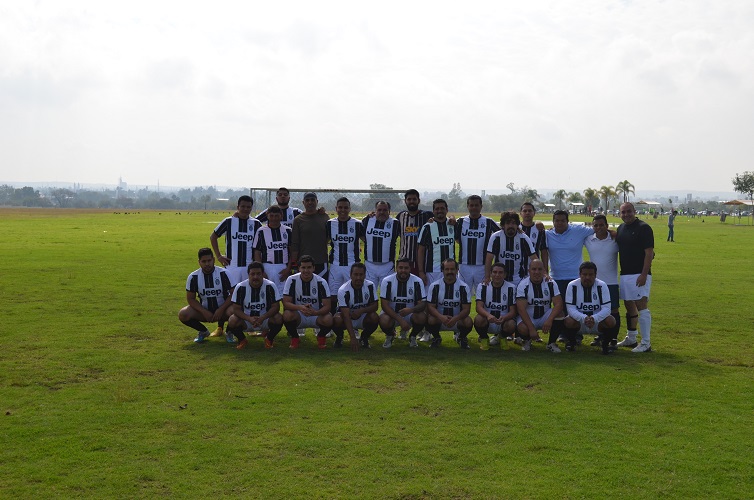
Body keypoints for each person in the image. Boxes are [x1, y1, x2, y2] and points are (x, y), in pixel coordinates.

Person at [615, 202, 655, 353]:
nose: (626, 214)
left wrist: (644, 274)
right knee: (628, 305)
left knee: (641, 305)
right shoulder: (621, 228)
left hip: (639, 274)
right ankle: (631, 338)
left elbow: (649, 253)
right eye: (623, 212)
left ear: (634, 211)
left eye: (629, 211)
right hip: (625, 273)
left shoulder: (644, 228)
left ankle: (646, 343)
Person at [179, 248, 234, 343]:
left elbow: (234, 294)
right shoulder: (193, 277)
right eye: (204, 261)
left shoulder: (224, 273)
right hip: (204, 311)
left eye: (209, 260)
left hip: (224, 311)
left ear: (213, 259)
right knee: (183, 314)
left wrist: (221, 309)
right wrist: (204, 311)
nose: (207, 264)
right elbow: (191, 299)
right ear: (199, 262)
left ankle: (230, 332)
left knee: (238, 310)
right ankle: (203, 331)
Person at [226, 262, 284, 350]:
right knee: (232, 320)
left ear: (263, 274)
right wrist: (249, 318)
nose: (255, 277)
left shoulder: (270, 286)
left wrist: (262, 317)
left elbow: (276, 307)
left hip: (265, 319)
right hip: (247, 320)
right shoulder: (241, 287)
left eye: (258, 274)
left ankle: (269, 339)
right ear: (248, 275)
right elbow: (236, 309)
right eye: (252, 274)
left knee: (278, 318)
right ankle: (242, 340)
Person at [281, 255, 334, 349]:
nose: (306, 270)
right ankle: (295, 338)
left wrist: (315, 312)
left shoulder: (321, 282)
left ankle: (321, 337)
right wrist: (300, 307)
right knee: (287, 315)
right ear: (299, 268)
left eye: (309, 267)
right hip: (299, 314)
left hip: (316, 315)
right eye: (303, 267)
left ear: (314, 268)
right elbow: (286, 303)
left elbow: (327, 306)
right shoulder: (292, 280)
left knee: (329, 318)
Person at [563, 262, 617, 354]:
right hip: (579, 322)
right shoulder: (572, 285)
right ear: (580, 274)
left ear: (595, 275)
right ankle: (572, 343)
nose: (587, 277)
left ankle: (605, 344)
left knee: (611, 320)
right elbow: (570, 309)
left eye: (591, 274)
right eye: (584, 274)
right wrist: (584, 318)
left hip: (597, 322)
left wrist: (594, 318)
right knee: (568, 320)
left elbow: (607, 309)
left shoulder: (602, 285)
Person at [584, 214, 621, 348]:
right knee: (598, 310)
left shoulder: (614, 239)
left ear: (607, 226)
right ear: (592, 226)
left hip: (611, 282)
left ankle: (613, 338)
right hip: (594, 283)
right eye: (596, 225)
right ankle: (602, 336)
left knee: (613, 310)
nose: (599, 227)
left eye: (601, 225)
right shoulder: (588, 239)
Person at [210, 195, 262, 288]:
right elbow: (213, 237)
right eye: (243, 206)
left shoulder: (256, 223)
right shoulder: (228, 221)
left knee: (248, 292)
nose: (245, 209)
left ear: (251, 208)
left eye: (248, 207)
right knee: (232, 293)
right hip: (232, 266)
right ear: (238, 207)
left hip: (249, 267)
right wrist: (218, 256)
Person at [516, 258, 564, 353]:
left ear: (544, 270)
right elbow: (521, 309)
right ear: (529, 271)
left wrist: (549, 320)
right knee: (522, 328)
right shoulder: (523, 285)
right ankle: (527, 340)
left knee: (560, 314)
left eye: (539, 269)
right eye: (534, 269)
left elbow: (559, 304)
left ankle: (551, 343)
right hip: (529, 317)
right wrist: (531, 328)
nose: (537, 272)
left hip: (545, 316)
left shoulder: (550, 283)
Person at [544, 210, 594, 298]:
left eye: (562, 221)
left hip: (576, 278)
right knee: (559, 305)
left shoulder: (578, 230)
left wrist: (611, 231)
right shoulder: (547, 234)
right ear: (553, 222)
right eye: (557, 221)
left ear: (567, 221)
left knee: (576, 304)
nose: (560, 223)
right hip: (556, 278)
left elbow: (597, 229)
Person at [379, 258, 428, 348]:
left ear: (410, 268)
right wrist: (400, 320)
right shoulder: (387, 281)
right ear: (396, 268)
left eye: (406, 268)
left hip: (410, 314)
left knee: (422, 317)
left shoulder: (417, 281)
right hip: (392, 314)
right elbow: (384, 305)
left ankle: (413, 336)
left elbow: (422, 304)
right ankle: (390, 335)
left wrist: (411, 310)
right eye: (400, 268)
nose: (403, 270)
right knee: (384, 319)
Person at [326, 197, 364, 312]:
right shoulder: (330, 224)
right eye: (340, 207)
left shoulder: (357, 224)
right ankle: (333, 319)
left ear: (349, 209)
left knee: (352, 293)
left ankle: (352, 319)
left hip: (352, 265)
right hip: (335, 265)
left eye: (345, 207)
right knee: (333, 296)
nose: (343, 210)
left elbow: (367, 241)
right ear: (336, 208)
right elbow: (325, 242)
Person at [456, 195, 500, 293]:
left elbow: (502, 233)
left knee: (483, 294)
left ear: (481, 206)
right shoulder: (461, 221)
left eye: (476, 205)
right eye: (471, 205)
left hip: (482, 266)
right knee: (463, 294)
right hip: (464, 265)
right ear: (467, 206)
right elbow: (456, 237)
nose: (474, 208)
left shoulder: (488, 222)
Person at [425, 259, 473, 349]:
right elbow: (430, 307)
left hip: (457, 320)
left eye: (452, 269)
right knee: (429, 319)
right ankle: (436, 338)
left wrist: (455, 318)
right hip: (440, 319)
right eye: (447, 269)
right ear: (442, 270)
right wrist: (441, 317)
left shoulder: (463, 287)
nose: (449, 272)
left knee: (468, 321)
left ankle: (461, 338)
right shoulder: (435, 286)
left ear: (457, 270)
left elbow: (467, 309)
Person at [333, 263, 379, 350]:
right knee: (337, 319)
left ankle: (364, 337)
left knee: (374, 317)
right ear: (350, 275)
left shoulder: (370, 285)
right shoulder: (343, 290)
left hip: (362, 317)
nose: (358, 277)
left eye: (361, 275)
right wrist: (353, 337)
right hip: (348, 318)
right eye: (356, 274)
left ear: (365, 275)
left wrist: (361, 310)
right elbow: (345, 315)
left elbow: (375, 306)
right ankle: (339, 337)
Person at [485, 210, 536, 288]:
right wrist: (487, 277)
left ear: (517, 225)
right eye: (508, 223)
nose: (511, 226)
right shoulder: (496, 237)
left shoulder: (523, 238)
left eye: (513, 223)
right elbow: (489, 258)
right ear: (503, 225)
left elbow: (534, 258)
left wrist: (544, 274)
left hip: (518, 280)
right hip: (500, 279)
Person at [474, 262, 517, 350]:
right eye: (494, 272)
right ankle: (484, 339)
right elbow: (478, 307)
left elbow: (513, 311)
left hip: (503, 322)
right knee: (478, 319)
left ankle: (502, 337)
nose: (497, 275)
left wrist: (504, 318)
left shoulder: (511, 288)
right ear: (490, 273)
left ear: (505, 275)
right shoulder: (483, 286)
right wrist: (488, 315)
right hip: (488, 320)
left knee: (512, 324)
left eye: (500, 272)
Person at [252, 205, 293, 295]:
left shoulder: (288, 231)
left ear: (281, 216)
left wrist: (288, 269)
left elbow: (292, 252)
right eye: (271, 216)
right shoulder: (261, 231)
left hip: (283, 267)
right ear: (267, 216)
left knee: (284, 295)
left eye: (276, 216)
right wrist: (261, 270)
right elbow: (257, 252)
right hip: (267, 267)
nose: (274, 218)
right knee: (267, 295)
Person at [416, 199, 456, 286]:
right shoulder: (427, 227)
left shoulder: (453, 225)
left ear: (447, 210)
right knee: (432, 294)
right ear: (433, 211)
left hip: (450, 270)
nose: (439, 211)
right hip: (432, 271)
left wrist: (452, 217)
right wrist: (421, 272)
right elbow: (421, 250)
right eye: (437, 209)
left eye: (442, 208)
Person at [290, 192, 330, 278]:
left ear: (317, 201)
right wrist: (294, 263)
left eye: (312, 200)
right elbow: (295, 243)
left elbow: (330, 237)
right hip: (304, 263)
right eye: (307, 200)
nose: (310, 202)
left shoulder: (324, 217)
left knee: (321, 285)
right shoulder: (298, 220)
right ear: (303, 202)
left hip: (321, 261)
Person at [362, 200, 400, 289]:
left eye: (385, 210)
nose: (382, 212)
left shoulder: (395, 223)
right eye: (379, 210)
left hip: (387, 266)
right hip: (369, 265)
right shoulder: (367, 220)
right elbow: (360, 235)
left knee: (388, 293)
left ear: (389, 211)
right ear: (375, 211)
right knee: (368, 293)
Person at [395, 189, 433, 276]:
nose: (411, 201)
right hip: (404, 261)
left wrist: (452, 218)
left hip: (423, 262)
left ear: (418, 200)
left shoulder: (427, 215)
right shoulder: (401, 216)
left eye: (414, 199)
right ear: (405, 201)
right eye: (409, 199)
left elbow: (442, 218)